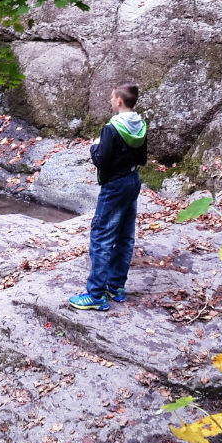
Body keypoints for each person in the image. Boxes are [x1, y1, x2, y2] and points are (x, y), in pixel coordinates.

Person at [69, 83, 148, 311]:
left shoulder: (111, 129)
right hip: (132, 181)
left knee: (101, 235)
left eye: (112, 98)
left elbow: (101, 160)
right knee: (124, 235)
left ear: (119, 101)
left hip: (114, 185)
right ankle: (115, 286)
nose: (110, 101)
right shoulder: (139, 125)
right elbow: (141, 159)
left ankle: (95, 294)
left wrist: (94, 147)